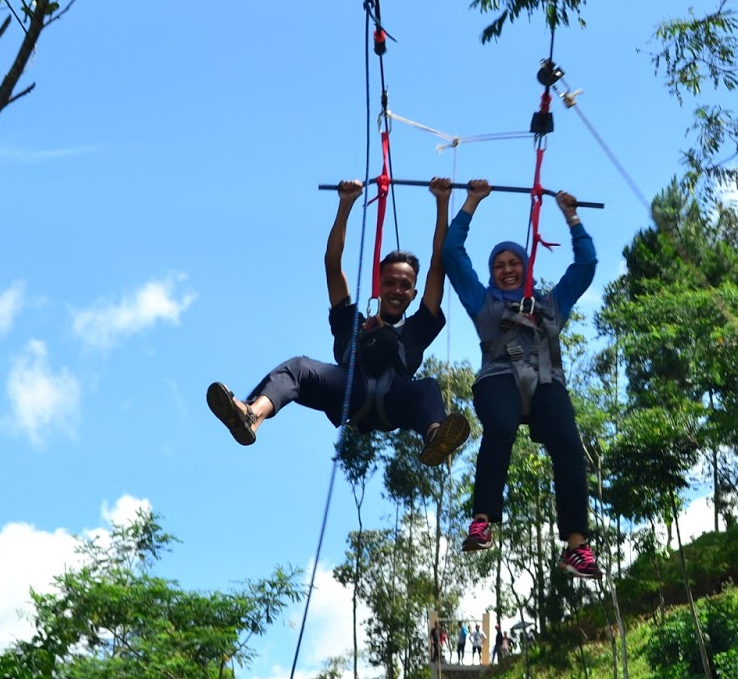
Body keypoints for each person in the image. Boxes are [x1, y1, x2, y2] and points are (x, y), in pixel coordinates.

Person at [206, 178, 470, 464]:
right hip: (349, 392)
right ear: (377, 286)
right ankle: (252, 415)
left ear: (413, 293)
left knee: (427, 388)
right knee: (298, 367)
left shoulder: (416, 330)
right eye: (390, 282)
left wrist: (442, 203)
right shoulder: (352, 324)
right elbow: (332, 265)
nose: (397, 290)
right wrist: (346, 205)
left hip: (397, 399)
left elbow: (437, 269)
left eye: (405, 285)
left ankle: (435, 437)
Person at [441, 178, 602, 580]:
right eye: (499, 265)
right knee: (499, 429)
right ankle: (482, 520)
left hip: (547, 381)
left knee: (568, 444)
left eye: (514, 263)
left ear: (527, 267)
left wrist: (571, 217)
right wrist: (470, 203)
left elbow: (585, 266)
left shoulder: (550, 303)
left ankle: (577, 546)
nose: (507, 270)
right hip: (498, 377)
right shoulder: (484, 301)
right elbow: (453, 255)